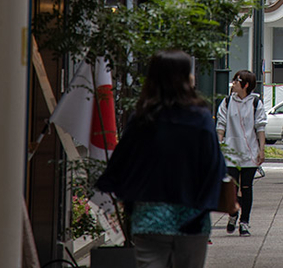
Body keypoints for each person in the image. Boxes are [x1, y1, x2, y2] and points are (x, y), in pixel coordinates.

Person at [96, 51, 227, 268]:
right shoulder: (199, 118)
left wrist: (126, 198)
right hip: (192, 218)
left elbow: (121, 163)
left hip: (149, 217)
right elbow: (214, 167)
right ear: (184, 78)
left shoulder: (142, 118)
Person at [217, 69, 267, 236]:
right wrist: (219, 145)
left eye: (236, 81)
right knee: (231, 188)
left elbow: (260, 127)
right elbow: (221, 126)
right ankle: (232, 214)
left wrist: (261, 149)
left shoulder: (256, 103)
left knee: (246, 188)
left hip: (249, 153)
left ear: (245, 85)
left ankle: (244, 222)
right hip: (230, 153)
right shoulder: (226, 102)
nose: (233, 84)